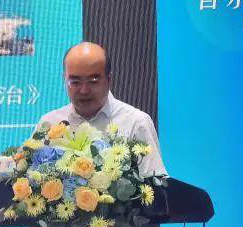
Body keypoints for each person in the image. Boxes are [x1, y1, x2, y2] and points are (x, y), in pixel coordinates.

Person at [37, 42, 167, 178]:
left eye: (93, 81)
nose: (84, 90)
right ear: (64, 80)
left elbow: (157, 183)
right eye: (75, 82)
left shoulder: (135, 123)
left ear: (109, 80)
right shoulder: (49, 123)